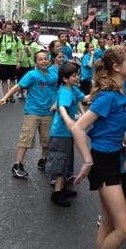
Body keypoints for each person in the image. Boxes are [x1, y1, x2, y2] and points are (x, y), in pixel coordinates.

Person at [71, 47, 126, 249]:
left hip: (114, 156)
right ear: (116, 67)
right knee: (125, 227)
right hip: (102, 161)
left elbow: (117, 125)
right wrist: (88, 161)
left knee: (108, 222)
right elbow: (78, 128)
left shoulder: (122, 91)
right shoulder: (107, 97)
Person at [0, 50, 58, 178]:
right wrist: (5, 97)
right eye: (40, 59)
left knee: (47, 140)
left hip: (49, 112)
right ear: (35, 62)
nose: (44, 61)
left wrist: (57, 103)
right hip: (33, 111)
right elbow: (18, 87)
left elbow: (58, 89)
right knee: (26, 139)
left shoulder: (53, 74)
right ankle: (17, 165)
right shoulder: (32, 75)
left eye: (45, 58)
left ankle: (43, 160)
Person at [46, 62, 89, 207]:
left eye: (78, 74)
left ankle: (63, 187)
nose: (77, 78)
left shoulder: (73, 89)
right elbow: (62, 108)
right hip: (61, 133)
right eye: (74, 75)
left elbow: (85, 99)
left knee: (66, 162)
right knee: (60, 161)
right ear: (65, 79)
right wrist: (69, 121)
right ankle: (57, 193)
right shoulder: (65, 91)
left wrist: (102, 89)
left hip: (68, 134)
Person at [0, 22, 22, 102]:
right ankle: (5, 97)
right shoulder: (1, 38)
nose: (9, 30)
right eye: (7, 28)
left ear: (12, 29)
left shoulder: (17, 38)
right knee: (4, 80)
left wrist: (19, 61)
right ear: (5, 29)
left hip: (13, 62)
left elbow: (20, 50)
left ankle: (11, 96)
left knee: (13, 80)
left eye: (10, 28)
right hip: (3, 62)